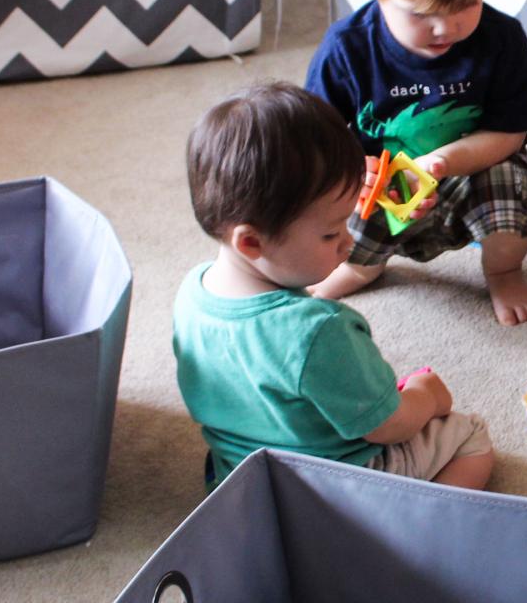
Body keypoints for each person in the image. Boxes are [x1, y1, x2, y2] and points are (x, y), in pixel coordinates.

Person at [174, 81, 494, 491]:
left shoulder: (191, 293)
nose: (349, 241)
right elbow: (388, 427)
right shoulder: (320, 329)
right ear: (251, 241)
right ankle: (421, 530)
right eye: (330, 234)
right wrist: (426, 396)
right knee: (470, 435)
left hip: (244, 480)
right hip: (338, 485)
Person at [306, 0, 527, 326]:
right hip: (378, 185)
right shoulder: (347, 50)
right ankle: (362, 268)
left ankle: (503, 271)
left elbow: (510, 133)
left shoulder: (501, 41)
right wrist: (355, 173)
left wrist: (442, 163)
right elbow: (314, 137)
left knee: (517, 187)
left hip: (466, 177)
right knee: (325, 205)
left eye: (467, 2)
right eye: (420, 13)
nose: (446, 27)